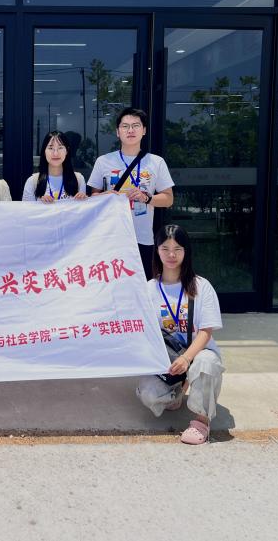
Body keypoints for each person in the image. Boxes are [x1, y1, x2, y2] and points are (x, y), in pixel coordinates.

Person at [136, 224, 224, 445]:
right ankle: (177, 393)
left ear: (186, 251)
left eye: (178, 249)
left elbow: (205, 331)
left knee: (206, 363)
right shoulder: (149, 289)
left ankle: (201, 421)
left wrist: (186, 358)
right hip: (168, 358)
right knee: (148, 393)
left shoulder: (201, 286)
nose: (171, 255)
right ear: (157, 251)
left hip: (198, 352)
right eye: (165, 248)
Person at [87, 107, 174, 278]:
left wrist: (146, 198)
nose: (130, 130)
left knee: (142, 287)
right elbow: (92, 199)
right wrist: (106, 195)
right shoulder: (103, 161)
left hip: (142, 238)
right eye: (125, 126)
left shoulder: (156, 162)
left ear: (144, 130)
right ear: (117, 132)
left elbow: (168, 199)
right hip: (110, 238)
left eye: (136, 125)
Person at [22, 131, 87, 202]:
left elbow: (82, 208)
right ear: (44, 151)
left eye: (60, 148)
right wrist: (41, 205)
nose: (55, 153)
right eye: (50, 148)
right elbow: (27, 208)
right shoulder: (32, 182)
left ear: (67, 151)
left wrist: (84, 200)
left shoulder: (79, 179)